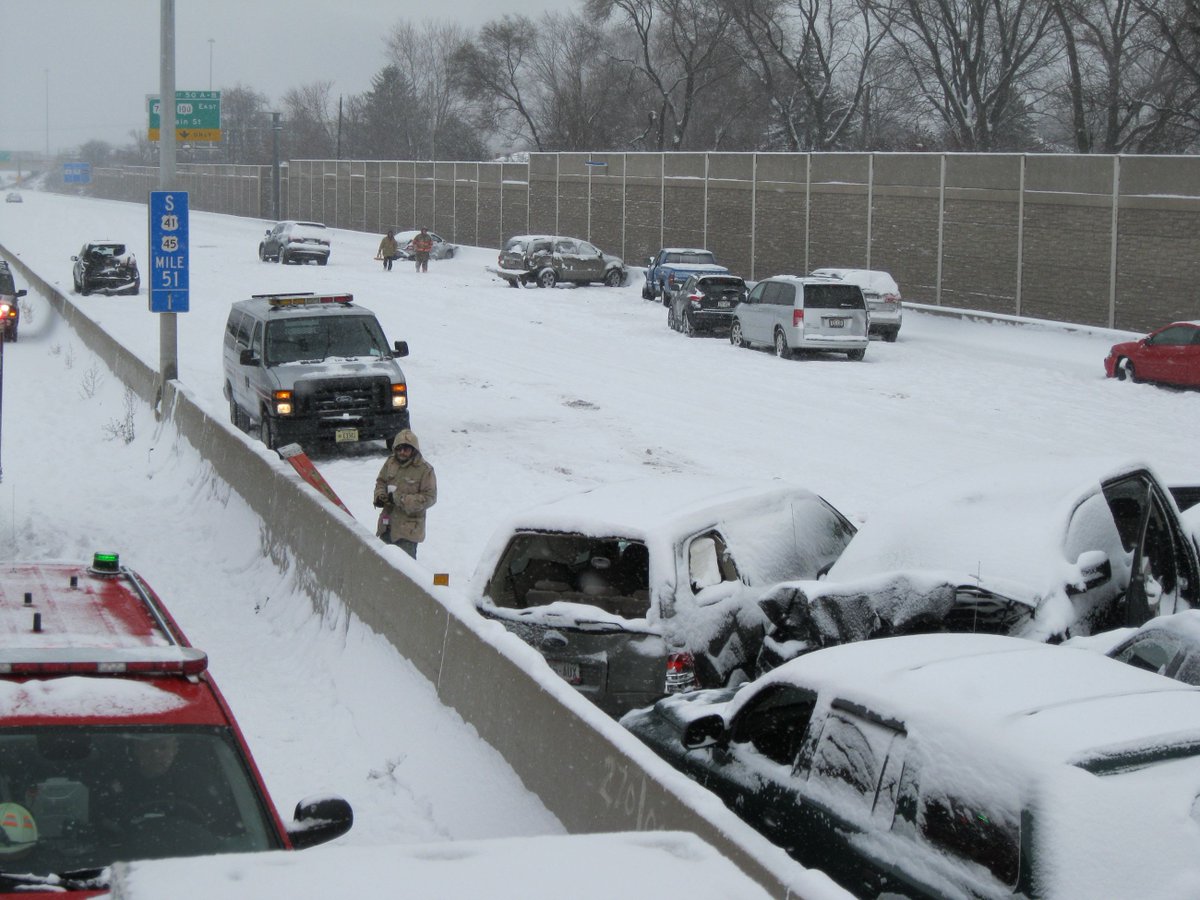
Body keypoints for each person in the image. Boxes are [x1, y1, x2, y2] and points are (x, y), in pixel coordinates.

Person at [374, 428, 437, 558]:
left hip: (408, 531)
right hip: (386, 526)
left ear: (414, 450)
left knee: (404, 570)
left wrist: (400, 499)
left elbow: (430, 497)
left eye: (406, 449)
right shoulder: (390, 462)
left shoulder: (425, 470)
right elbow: (381, 481)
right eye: (399, 448)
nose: (402, 452)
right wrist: (379, 496)